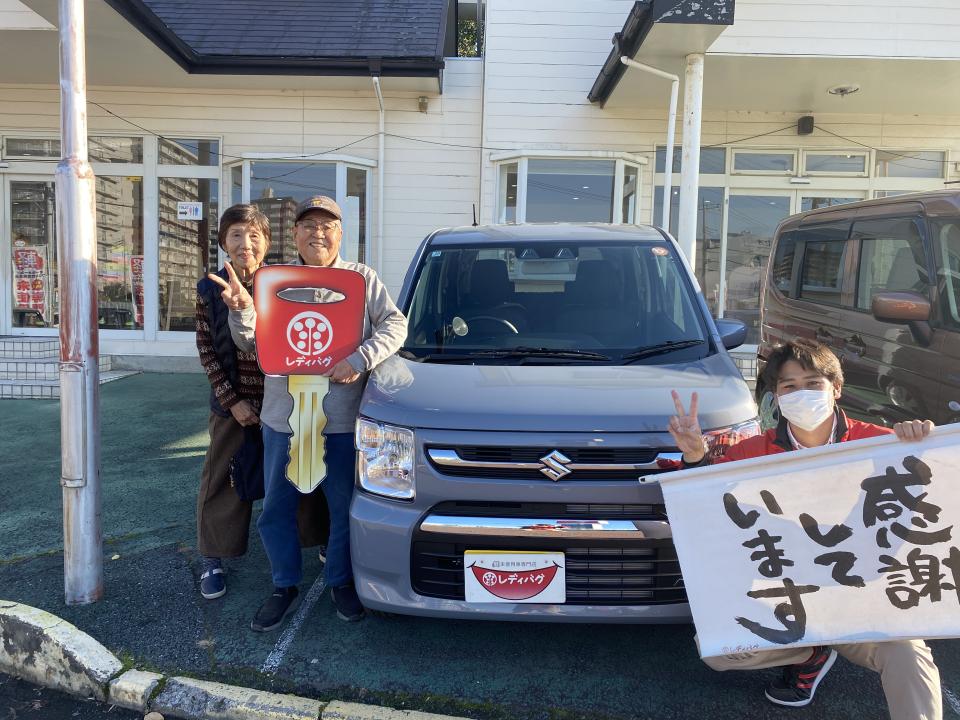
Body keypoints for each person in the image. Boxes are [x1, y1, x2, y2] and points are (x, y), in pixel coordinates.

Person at [668, 339, 941, 720]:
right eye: (789, 386)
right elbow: (705, 499)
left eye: (813, 383)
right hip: (790, 595)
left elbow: (937, 491)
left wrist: (925, 444)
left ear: (836, 388)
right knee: (718, 650)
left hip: (865, 600)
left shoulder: (882, 443)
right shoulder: (753, 452)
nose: (802, 394)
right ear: (776, 397)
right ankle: (810, 653)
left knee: (907, 653)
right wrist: (695, 455)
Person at [212, 195, 407, 631]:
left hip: (341, 420)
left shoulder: (361, 279)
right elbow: (250, 342)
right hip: (283, 418)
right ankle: (283, 584)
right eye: (309, 226)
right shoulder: (275, 281)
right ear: (295, 233)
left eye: (327, 226)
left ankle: (340, 580)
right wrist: (242, 311)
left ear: (340, 234)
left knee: (343, 505)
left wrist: (359, 358)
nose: (318, 233)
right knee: (277, 508)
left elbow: (396, 325)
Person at [195, 203, 329, 601]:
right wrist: (232, 401)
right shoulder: (209, 288)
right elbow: (206, 349)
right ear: (223, 242)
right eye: (236, 235)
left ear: (267, 242)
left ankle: (317, 538)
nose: (245, 244)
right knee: (224, 480)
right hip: (234, 405)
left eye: (254, 236)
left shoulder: (283, 284)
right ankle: (213, 556)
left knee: (300, 472)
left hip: (284, 403)